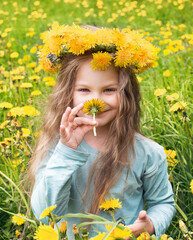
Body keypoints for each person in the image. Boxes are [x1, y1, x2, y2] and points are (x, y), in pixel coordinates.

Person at [26, 24, 176, 239]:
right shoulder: (57, 147)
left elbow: (162, 203)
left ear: (127, 94)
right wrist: (67, 152)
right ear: (67, 94)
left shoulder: (148, 152)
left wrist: (151, 224)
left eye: (109, 90)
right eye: (84, 90)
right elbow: (44, 214)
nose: (95, 100)